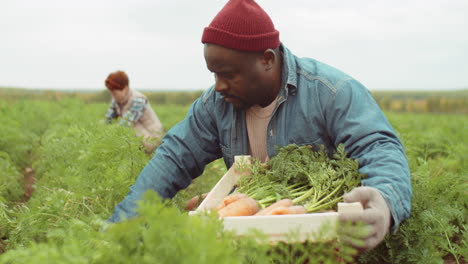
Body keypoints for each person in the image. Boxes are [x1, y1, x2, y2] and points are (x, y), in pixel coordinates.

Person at [108, 0, 412, 251]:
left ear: (267, 59)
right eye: (213, 74)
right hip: (248, 243)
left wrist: (385, 200)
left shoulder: (331, 93)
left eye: (228, 74)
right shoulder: (216, 104)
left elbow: (379, 146)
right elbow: (174, 157)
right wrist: (119, 228)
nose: (219, 86)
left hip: (325, 244)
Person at [104, 70, 164, 153]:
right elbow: (108, 121)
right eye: (111, 93)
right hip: (139, 136)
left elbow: (125, 124)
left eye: (115, 93)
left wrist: (109, 141)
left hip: (152, 137)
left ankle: (140, 155)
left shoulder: (138, 99)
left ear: (125, 89)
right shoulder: (116, 101)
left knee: (129, 126)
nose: (113, 96)